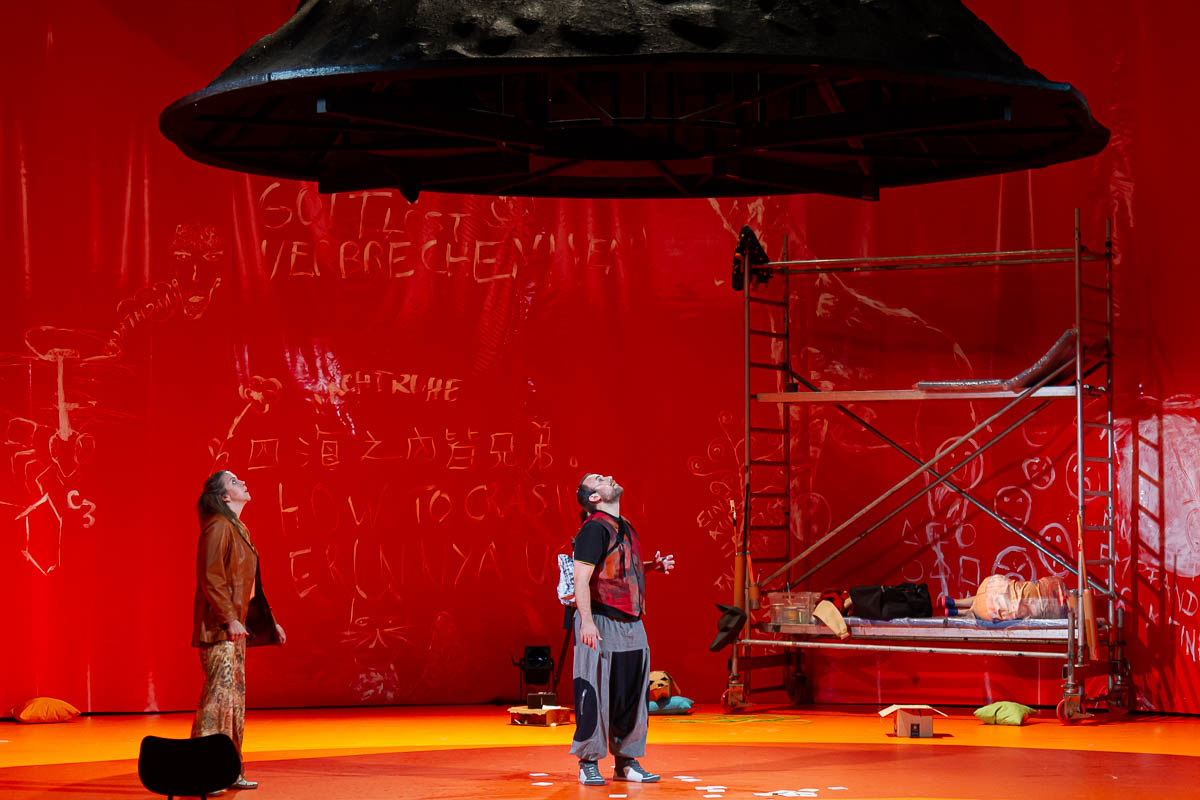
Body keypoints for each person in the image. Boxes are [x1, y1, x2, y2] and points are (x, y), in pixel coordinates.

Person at [570, 473, 675, 787]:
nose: (610, 478)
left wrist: (652, 567)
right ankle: (588, 761)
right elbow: (581, 579)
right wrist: (587, 622)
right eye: (600, 479)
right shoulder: (593, 529)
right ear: (594, 497)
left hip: (632, 621)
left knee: (631, 692)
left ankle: (626, 761)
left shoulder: (624, 525)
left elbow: (618, 569)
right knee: (594, 690)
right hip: (600, 619)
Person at [191, 471, 285, 792]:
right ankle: (202, 773)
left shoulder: (238, 528)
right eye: (234, 481)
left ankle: (230, 771)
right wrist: (229, 618)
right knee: (217, 703)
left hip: (234, 629)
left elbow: (250, 586)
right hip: (220, 629)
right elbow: (211, 576)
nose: (242, 483)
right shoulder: (218, 527)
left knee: (233, 704)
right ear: (224, 496)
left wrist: (269, 623)